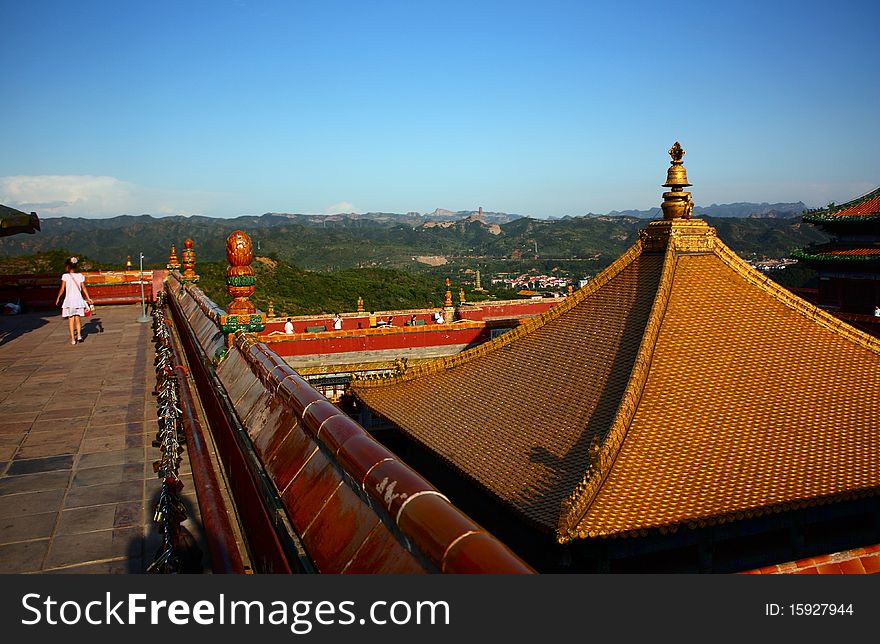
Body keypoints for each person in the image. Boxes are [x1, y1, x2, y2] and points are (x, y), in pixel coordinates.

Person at [54, 256, 92, 345]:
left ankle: (73, 339)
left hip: (69, 300)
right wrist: (88, 298)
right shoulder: (80, 276)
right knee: (77, 319)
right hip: (78, 300)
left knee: (70, 319)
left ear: (67, 266)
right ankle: (79, 336)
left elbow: (62, 289)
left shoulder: (65, 276)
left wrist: (58, 298)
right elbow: (83, 288)